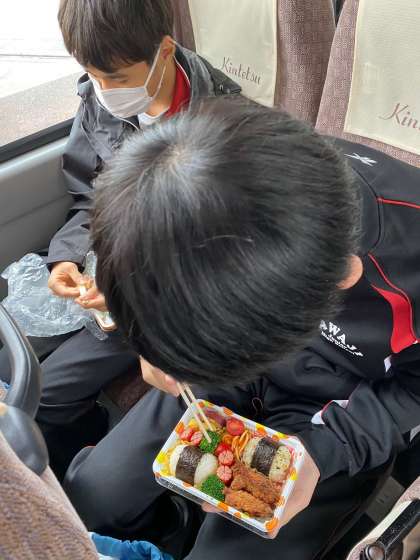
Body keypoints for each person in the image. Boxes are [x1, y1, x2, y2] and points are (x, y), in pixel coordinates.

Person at [63, 99, 420, 559]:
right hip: (226, 359)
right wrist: (159, 347)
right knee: (91, 496)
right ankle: (171, 529)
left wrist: (321, 452)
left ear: (342, 279)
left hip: (342, 406)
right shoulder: (232, 171)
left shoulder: (399, 272)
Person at [0, 0, 240, 479]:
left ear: (165, 50)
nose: (105, 91)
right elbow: (90, 195)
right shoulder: (99, 100)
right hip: (105, 276)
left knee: (34, 397)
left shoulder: (226, 130)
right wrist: (66, 259)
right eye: (92, 75)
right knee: (11, 371)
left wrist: (129, 293)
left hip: (167, 298)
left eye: (117, 77)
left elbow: (221, 254)